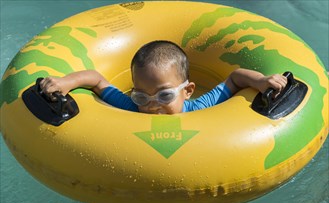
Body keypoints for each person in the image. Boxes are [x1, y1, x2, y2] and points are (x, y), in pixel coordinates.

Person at [40, 40, 287, 114]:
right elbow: (95, 79)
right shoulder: (129, 106)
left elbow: (234, 79)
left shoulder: (199, 106)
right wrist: (64, 83)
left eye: (165, 95)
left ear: (187, 90)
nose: (152, 104)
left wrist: (261, 81)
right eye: (140, 96)